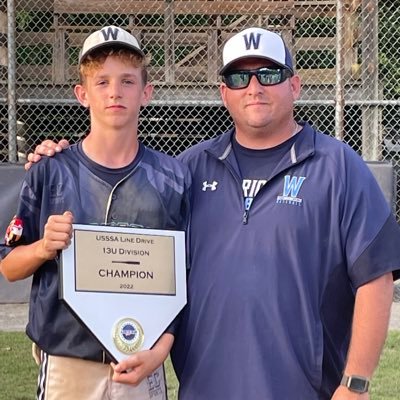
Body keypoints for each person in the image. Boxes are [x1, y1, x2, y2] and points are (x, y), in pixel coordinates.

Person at [24, 27, 400, 400]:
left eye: (269, 74)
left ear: (295, 85)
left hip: (302, 388)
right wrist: (57, 158)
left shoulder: (337, 165)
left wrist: (356, 383)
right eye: (239, 77)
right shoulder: (187, 170)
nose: (254, 88)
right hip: (204, 388)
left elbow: (375, 277)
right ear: (224, 93)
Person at [0, 25, 190, 400]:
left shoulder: (173, 177)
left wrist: (162, 349)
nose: (115, 91)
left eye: (127, 81)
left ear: (146, 93)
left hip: (140, 357)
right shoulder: (49, 171)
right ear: (82, 94)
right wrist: (43, 248)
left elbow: (184, 276)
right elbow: (8, 267)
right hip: (68, 362)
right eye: (101, 82)